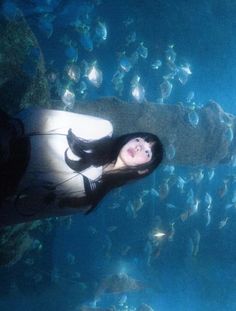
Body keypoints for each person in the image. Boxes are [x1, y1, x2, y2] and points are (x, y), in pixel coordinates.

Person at [0, 107, 163, 226]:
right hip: (9, 138)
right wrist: (11, 130)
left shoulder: (88, 198)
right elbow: (47, 117)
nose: (140, 146)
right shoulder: (103, 129)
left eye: (148, 152)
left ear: (143, 170)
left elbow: (29, 211)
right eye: (140, 139)